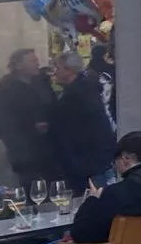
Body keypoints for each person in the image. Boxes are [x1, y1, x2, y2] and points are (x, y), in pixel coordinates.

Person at [47, 49, 115, 190]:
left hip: (86, 165)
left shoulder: (79, 95)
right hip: (85, 163)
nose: (54, 72)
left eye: (57, 68)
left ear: (69, 70)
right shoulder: (80, 91)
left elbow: (83, 130)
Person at [0, 48, 55, 189]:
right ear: (18, 66)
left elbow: (52, 108)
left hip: (51, 152)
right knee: (34, 193)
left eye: (37, 60)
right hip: (25, 156)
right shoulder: (5, 92)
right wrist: (31, 129)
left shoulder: (42, 85)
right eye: (32, 61)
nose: (37, 64)